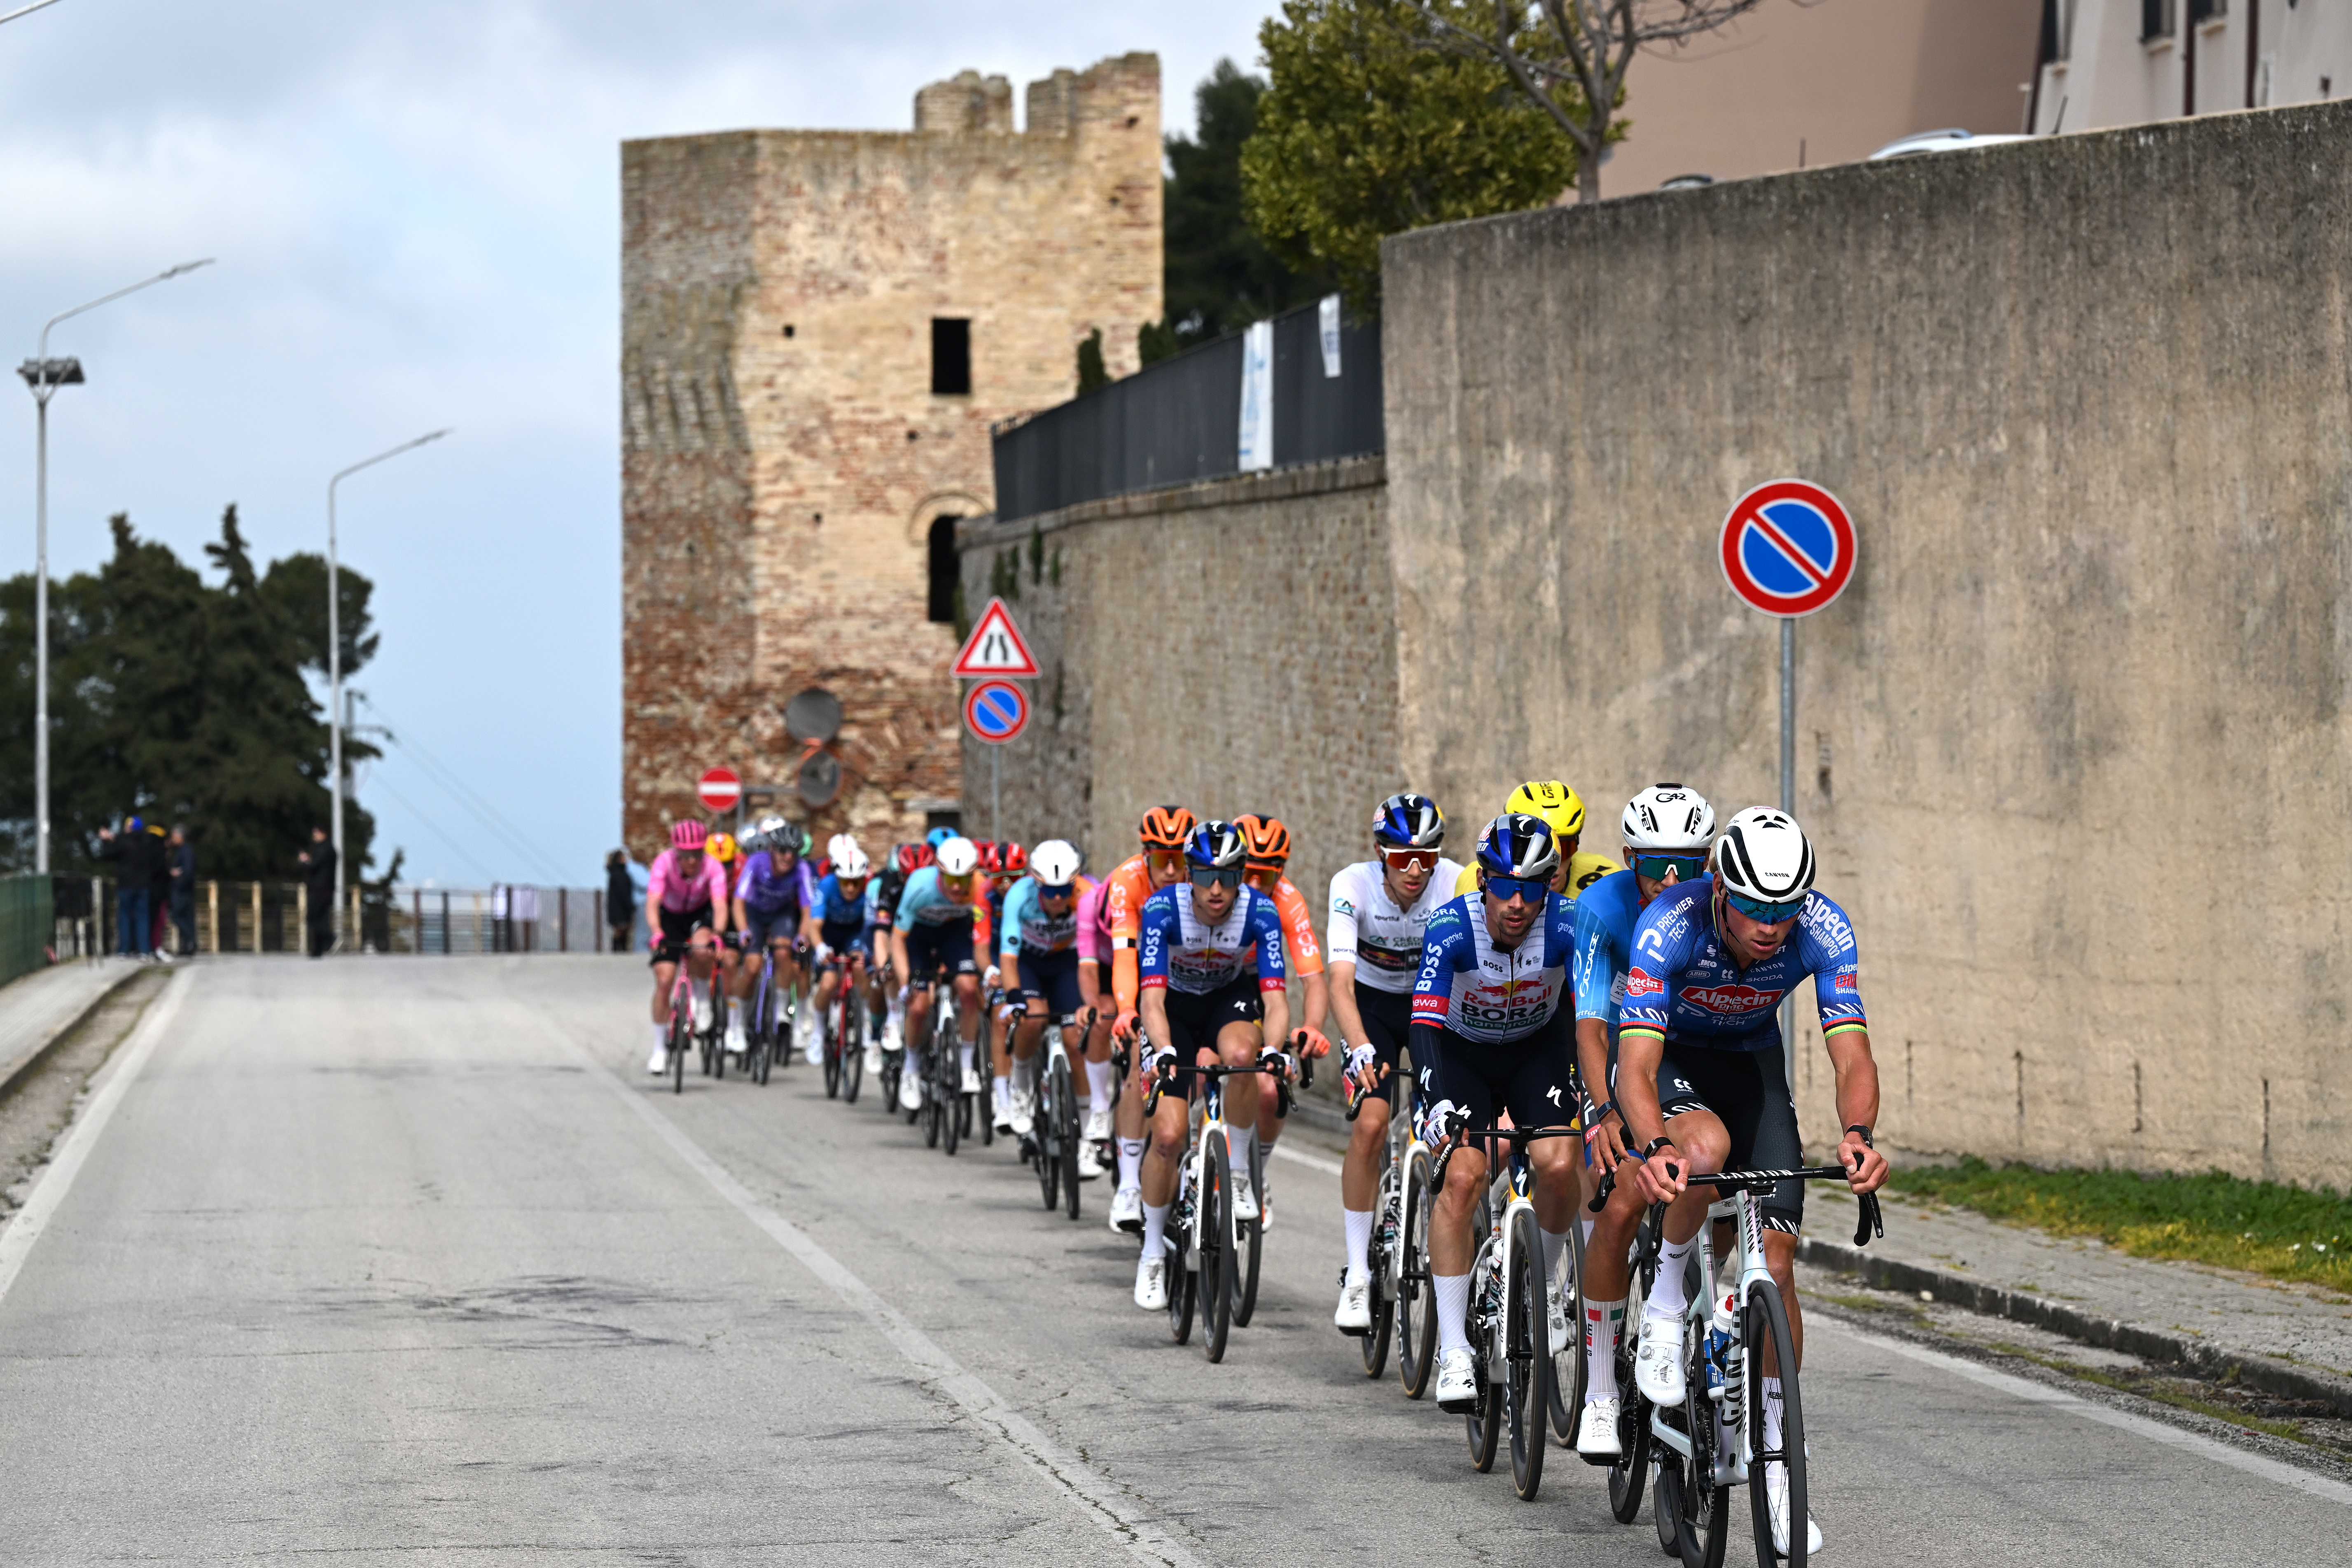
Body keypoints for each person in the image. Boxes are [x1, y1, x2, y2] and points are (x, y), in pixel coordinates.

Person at [1600, 808, 1887, 1556]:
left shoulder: (1823, 928)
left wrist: (1857, 1134)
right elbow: (1634, 1066)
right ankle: (1665, 1303)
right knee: (1701, 1151)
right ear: (1722, 891)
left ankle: (1779, 1468)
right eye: (1756, 907)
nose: (1770, 925)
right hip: (1668, 1056)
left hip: (1751, 1066)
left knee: (1778, 1265)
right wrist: (1652, 1145)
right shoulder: (1670, 923)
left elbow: (1851, 1053)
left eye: (1785, 909)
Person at [1412, 813, 1582, 1412]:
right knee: (1463, 1177)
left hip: (1536, 1051)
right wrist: (1435, 1101)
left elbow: (1592, 1014)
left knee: (1560, 1164)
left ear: (1549, 886)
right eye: (1505, 886)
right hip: (1461, 1054)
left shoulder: (1567, 925)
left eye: (1531, 888)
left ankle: (1545, 1285)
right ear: (1483, 880)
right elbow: (1423, 1024)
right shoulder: (1450, 928)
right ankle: (1454, 1349)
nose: (1516, 903)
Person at [1566, 783, 1717, 1453]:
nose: (1673, 877)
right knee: (1622, 1203)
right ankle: (1600, 1391)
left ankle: (1691, 1301)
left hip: (1692, 1058)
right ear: (1629, 857)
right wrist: (1603, 1112)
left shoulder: (1719, 904)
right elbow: (1590, 1028)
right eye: (1657, 863)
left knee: (1719, 1180)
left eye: (1691, 862)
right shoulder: (1602, 908)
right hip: (1620, 1057)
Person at [1130, 821, 1292, 1311]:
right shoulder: (1161, 910)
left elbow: (1276, 1000)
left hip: (1226, 1000)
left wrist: (1274, 1050)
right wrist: (1162, 1051)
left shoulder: (1260, 911)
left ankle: (1237, 1171)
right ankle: (1152, 1251)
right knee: (1167, 1136)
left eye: (1228, 876)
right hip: (1172, 1009)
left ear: (1242, 876)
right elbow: (1150, 999)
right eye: (1204, 876)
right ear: (1188, 875)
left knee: (1244, 1059)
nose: (1216, 888)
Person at [1325, 792, 1461, 1333]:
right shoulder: (1351, 885)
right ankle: (1358, 1274)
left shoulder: (1455, 882)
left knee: (1449, 1129)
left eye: (1426, 857)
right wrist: (1358, 1045)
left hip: (1433, 1007)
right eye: (1402, 856)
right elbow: (1339, 982)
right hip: (1372, 1008)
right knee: (1371, 1123)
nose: (1414, 869)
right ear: (1380, 852)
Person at [1230, 812, 1331, 1228]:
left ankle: (1255, 1172)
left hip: (1257, 990)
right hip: (1206, 983)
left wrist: (1312, 1026)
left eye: (1267, 876)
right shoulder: (1211, 894)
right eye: (1248, 874)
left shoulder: (1287, 899)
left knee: (1271, 1090)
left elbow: (1313, 978)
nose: (1256, 885)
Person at [1103, 805, 1197, 1232]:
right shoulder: (1127, 882)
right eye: (1162, 859)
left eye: (1180, 859)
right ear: (1146, 855)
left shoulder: (1203, 880)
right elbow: (1126, 955)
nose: (1172, 870)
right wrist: (1127, 1008)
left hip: (1193, 976)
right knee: (1136, 1065)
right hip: (1147, 973)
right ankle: (1127, 1185)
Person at [995, 839, 1093, 1152]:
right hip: (1029, 962)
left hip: (1067, 964)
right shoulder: (1018, 896)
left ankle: (1090, 1133)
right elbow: (1008, 958)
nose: (1057, 898)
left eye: (1064, 890)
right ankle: (1021, 1085)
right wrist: (1014, 997)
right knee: (1032, 1018)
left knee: (1076, 1039)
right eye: (1050, 891)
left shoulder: (1089, 894)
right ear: (1037, 883)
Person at [889, 835, 989, 1113]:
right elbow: (897, 939)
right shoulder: (919, 886)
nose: (956, 887)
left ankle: (967, 1065)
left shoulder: (981, 887)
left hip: (955, 934)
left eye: (963, 880)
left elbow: (987, 931)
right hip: (918, 938)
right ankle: (910, 1069)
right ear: (939, 872)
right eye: (950, 879)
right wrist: (905, 982)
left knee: (969, 988)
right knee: (919, 1006)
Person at [643, 820, 732, 1073]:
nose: (692, 860)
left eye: (697, 853)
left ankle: (702, 1000)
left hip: (698, 915)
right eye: (686, 854)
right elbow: (653, 901)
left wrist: (718, 934)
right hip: (669, 918)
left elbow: (720, 904)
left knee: (703, 949)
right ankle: (659, 1050)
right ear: (677, 851)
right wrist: (657, 932)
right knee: (664, 981)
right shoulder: (664, 863)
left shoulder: (713, 866)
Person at [730, 817, 817, 1062]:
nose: (788, 857)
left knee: (783, 952)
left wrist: (802, 936)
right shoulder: (756, 863)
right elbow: (738, 901)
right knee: (752, 966)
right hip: (754, 914)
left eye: (793, 852)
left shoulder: (801, 869)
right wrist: (743, 931)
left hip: (781, 915)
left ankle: (781, 1009)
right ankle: (736, 1025)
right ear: (772, 849)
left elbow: (808, 909)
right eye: (782, 850)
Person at [1451, 780, 1620, 900]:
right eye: (1535, 850)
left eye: (1564, 847)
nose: (1552, 863)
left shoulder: (1608, 877)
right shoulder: (1472, 880)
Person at [802, 839, 881, 1075]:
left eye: (856, 882)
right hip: (829, 933)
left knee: (859, 965)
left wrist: (870, 953)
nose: (851, 888)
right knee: (828, 983)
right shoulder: (827, 885)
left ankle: (865, 1018)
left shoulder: (870, 888)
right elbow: (814, 926)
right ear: (838, 878)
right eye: (846, 882)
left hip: (855, 933)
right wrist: (820, 949)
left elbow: (873, 926)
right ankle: (818, 1032)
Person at [96, 816, 161, 959]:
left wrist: (106, 840)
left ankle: (124, 950)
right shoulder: (147, 842)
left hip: (126, 885)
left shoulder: (124, 841)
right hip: (144, 885)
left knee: (124, 917)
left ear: (129, 827)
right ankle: (144, 950)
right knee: (143, 918)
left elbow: (108, 854)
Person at [297, 826, 337, 958]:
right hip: (327, 889)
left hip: (319, 889)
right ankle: (318, 950)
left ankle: (331, 938)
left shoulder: (323, 849)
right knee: (322, 919)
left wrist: (304, 862)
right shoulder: (330, 849)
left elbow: (313, 867)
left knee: (312, 918)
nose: (314, 836)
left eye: (316, 833)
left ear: (323, 834)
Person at [166, 825, 196, 959]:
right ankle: (188, 945)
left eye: (174, 836)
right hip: (183, 889)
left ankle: (190, 940)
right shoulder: (183, 851)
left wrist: (179, 885)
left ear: (180, 836)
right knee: (185, 917)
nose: (173, 839)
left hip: (181, 890)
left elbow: (188, 872)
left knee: (177, 915)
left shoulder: (186, 851)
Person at [605, 849, 636, 953]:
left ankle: (622, 950)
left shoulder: (617, 873)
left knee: (625, 929)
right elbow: (623, 892)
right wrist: (629, 905)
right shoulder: (619, 874)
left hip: (620, 907)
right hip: (620, 908)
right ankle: (616, 949)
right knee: (620, 929)